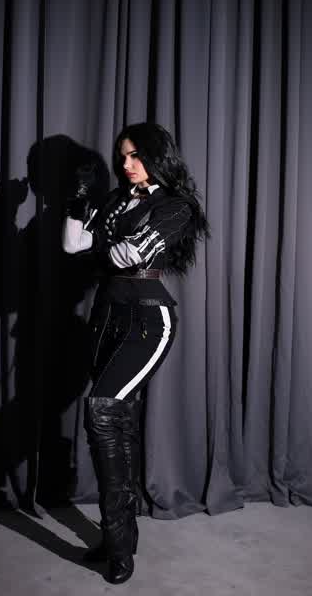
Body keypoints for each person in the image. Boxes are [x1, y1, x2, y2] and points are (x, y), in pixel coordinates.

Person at [62, 122, 209, 584]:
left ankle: (119, 547)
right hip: (105, 318)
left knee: (102, 409)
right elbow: (73, 245)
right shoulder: (116, 200)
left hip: (148, 320)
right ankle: (117, 538)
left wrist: (105, 240)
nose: (126, 164)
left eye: (135, 155)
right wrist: (78, 201)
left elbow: (129, 256)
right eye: (122, 156)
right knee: (115, 424)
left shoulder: (176, 206)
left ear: (155, 156)